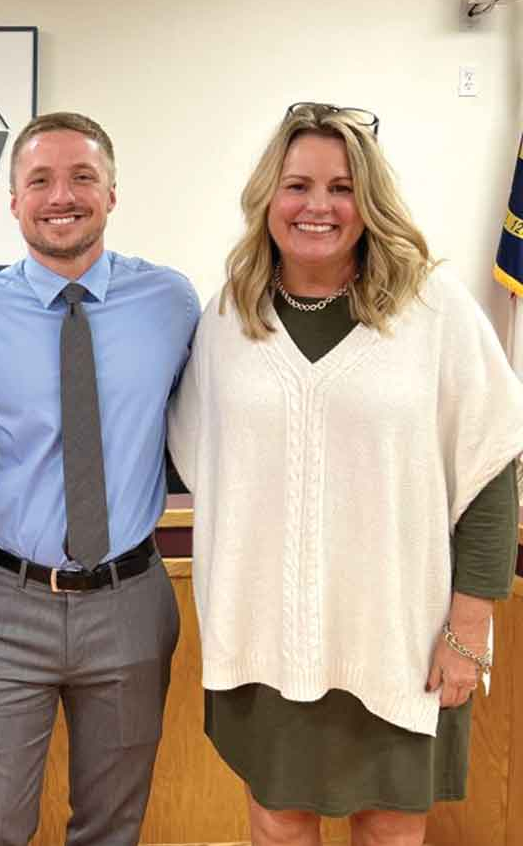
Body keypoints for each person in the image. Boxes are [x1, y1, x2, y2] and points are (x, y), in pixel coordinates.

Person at [167, 102, 523, 845]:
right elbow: (202, 455)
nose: (317, 206)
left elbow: (489, 467)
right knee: (278, 823)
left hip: (397, 635)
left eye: (341, 186)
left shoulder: (435, 311)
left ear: (371, 199)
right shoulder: (231, 317)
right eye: (297, 185)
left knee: (390, 829)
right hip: (269, 634)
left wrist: (468, 630)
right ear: (269, 197)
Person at [0, 112, 196, 846]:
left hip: (130, 600)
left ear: (111, 193)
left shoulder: (171, 304)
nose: (61, 195)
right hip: (2, 605)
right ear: (12, 201)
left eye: (82, 177)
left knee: (111, 827)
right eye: (39, 180)